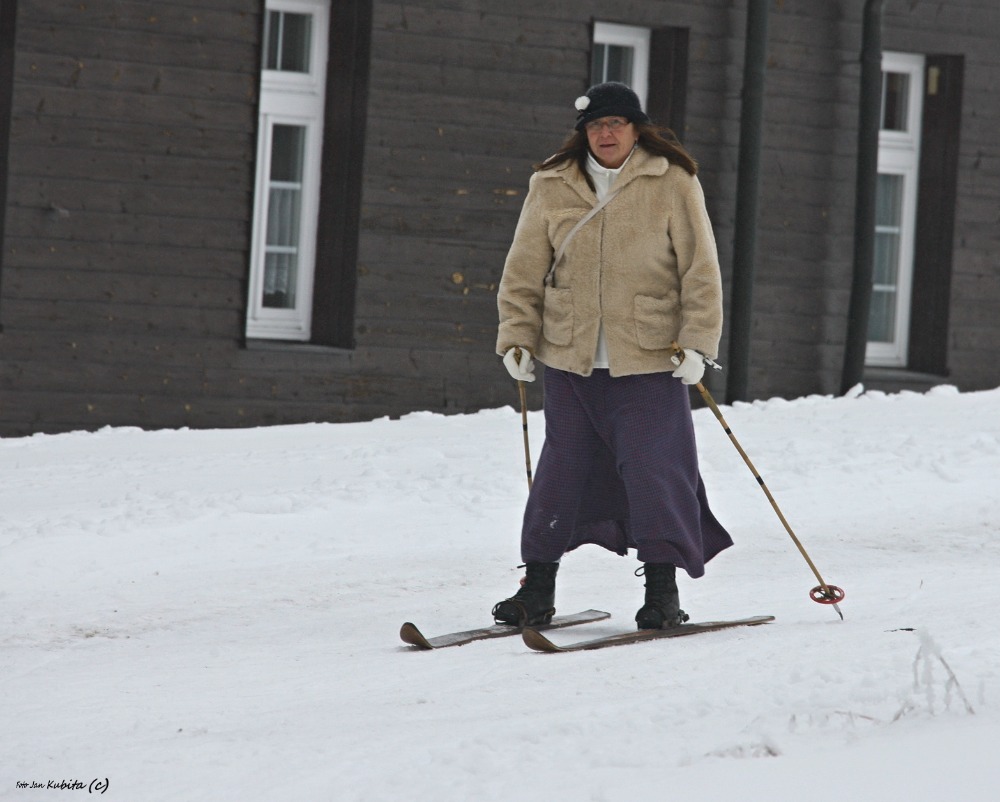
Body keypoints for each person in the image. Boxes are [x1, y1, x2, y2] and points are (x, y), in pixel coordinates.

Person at [492, 81, 734, 631]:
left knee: (655, 472)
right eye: (596, 125)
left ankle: (662, 593)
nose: (605, 133)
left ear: (635, 129)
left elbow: (701, 271)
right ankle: (537, 588)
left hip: (649, 359)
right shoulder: (550, 184)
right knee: (561, 472)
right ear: (584, 133)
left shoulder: (672, 181)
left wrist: (698, 344)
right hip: (570, 358)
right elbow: (524, 269)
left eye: (616, 124)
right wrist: (517, 338)